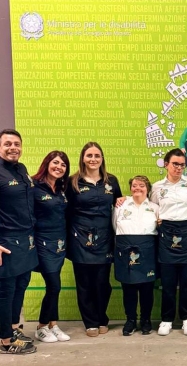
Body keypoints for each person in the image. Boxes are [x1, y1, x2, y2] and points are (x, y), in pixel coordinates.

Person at [66, 142, 122, 337]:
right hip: (79, 239)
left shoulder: (111, 181)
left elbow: (119, 204)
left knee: (102, 284)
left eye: (97, 155)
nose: (93, 159)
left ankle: (102, 318)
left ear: (102, 158)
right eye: (89, 155)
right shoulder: (72, 182)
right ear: (83, 158)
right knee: (84, 284)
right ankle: (90, 322)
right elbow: (65, 211)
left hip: (104, 239)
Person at [150, 148, 187, 337]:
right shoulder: (157, 187)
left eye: (182, 165)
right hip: (167, 234)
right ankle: (167, 319)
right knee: (168, 282)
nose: (179, 168)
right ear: (166, 165)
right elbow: (153, 207)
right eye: (175, 164)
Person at [0, 129, 37, 354]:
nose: (13, 148)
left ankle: (13, 329)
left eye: (16, 144)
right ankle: (5, 341)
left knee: (20, 286)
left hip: (26, 240)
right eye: (7, 144)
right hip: (6, 241)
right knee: (5, 292)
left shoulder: (21, 169)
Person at [32, 151, 71, 343]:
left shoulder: (62, 188)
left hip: (60, 244)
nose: (59, 167)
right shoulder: (33, 186)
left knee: (54, 286)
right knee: (54, 286)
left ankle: (52, 325)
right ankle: (41, 327)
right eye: (55, 162)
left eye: (63, 164)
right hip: (42, 243)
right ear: (47, 163)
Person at [113, 176, 159, 336]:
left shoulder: (155, 207)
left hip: (148, 250)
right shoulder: (120, 205)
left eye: (141, 185)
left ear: (148, 189)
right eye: (134, 185)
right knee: (128, 289)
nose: (137, 188)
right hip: (125, 250)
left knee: (147, 289)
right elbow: (114, 226)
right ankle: (130, 320)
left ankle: (146, 320)